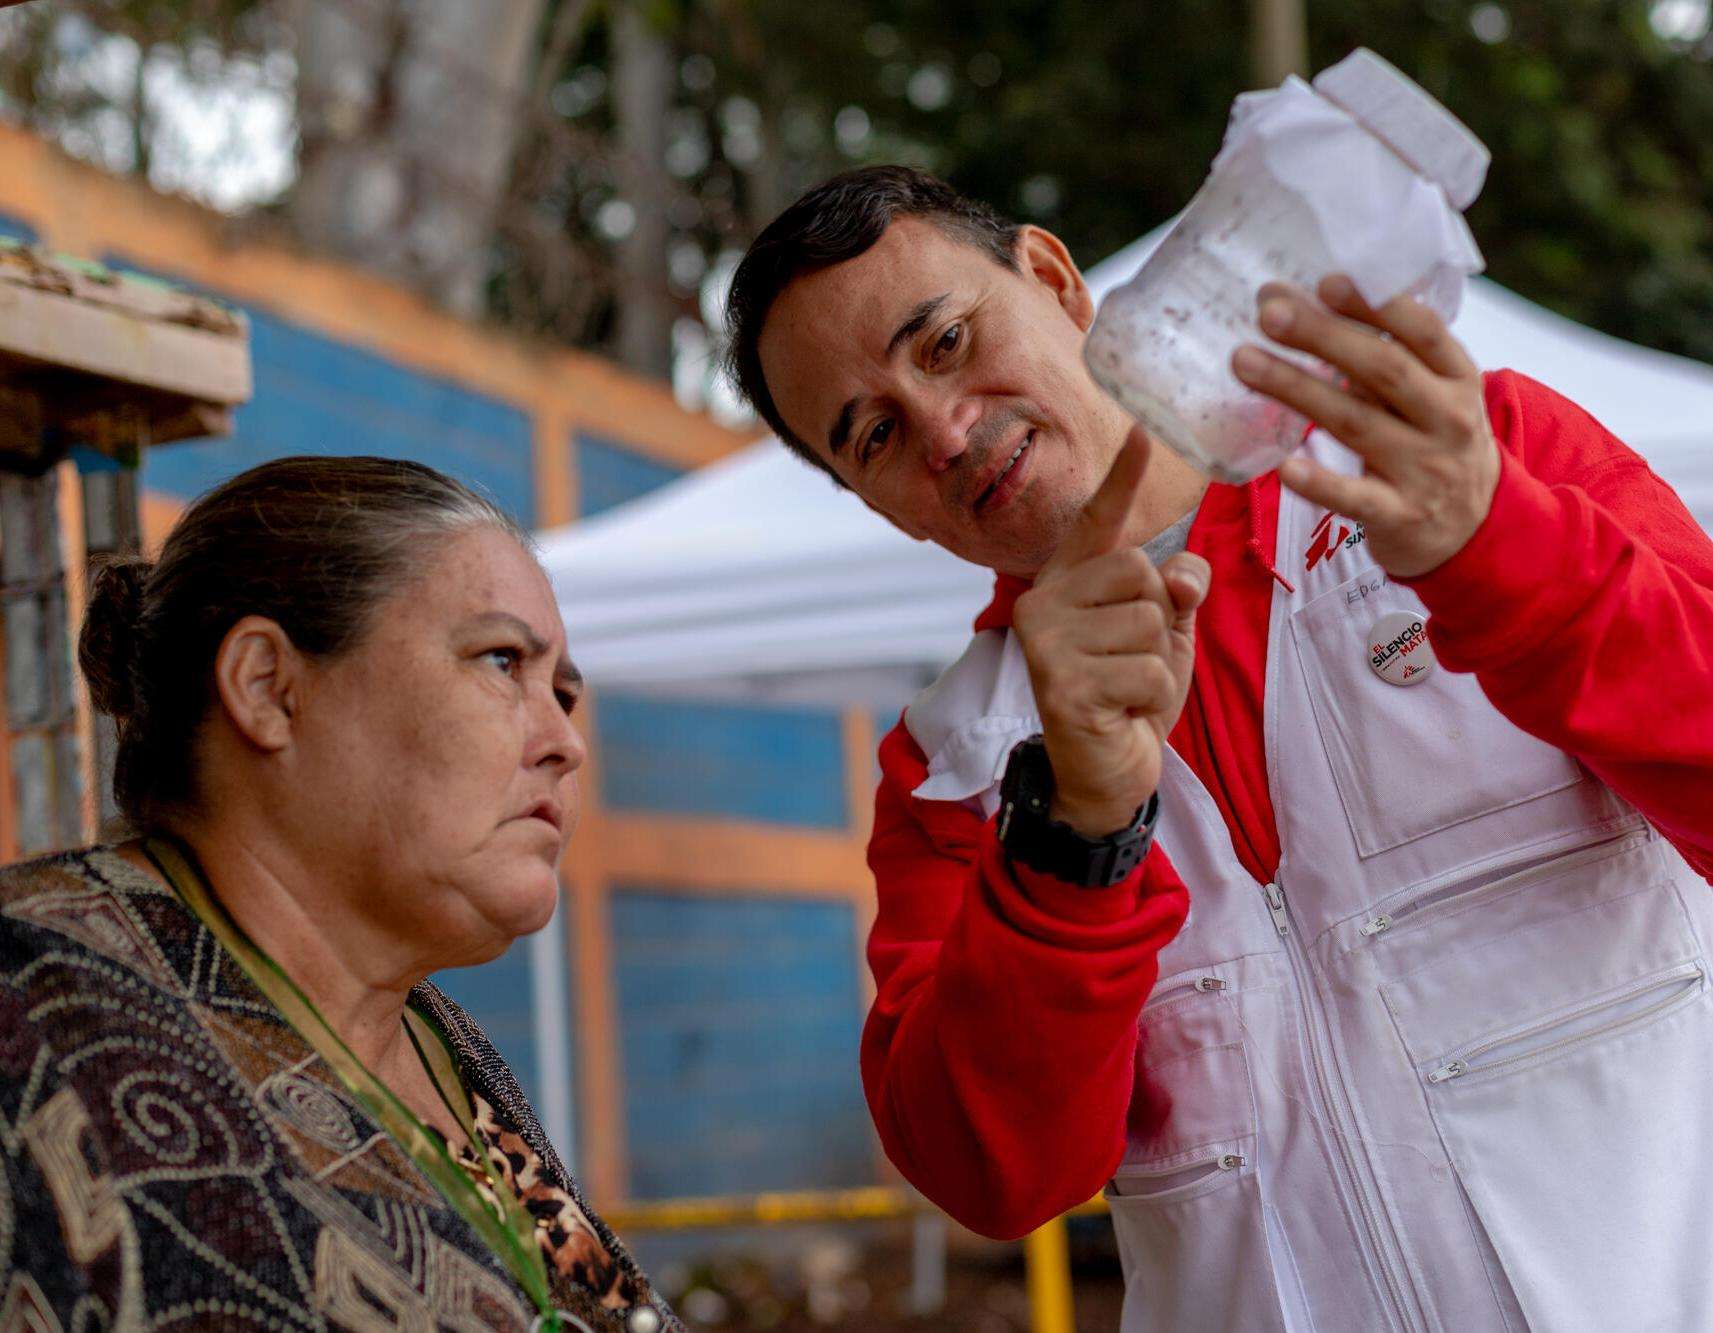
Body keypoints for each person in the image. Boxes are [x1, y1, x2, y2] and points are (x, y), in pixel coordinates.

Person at [723, 164, 1713, 1331]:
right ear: (874, 499)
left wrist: (1500, 555)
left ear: (1051, 279)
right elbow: (996, 1176)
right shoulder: (958, 768)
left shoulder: (1452, 459)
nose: (945, 431)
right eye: (875, 435)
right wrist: (1074, 834)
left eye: (944, 340)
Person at [0, 457, 675, 1333]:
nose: (562, 742)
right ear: (269, 687)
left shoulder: (440, 1041)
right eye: (502, 660)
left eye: (564, 693)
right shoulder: (30, 1005)